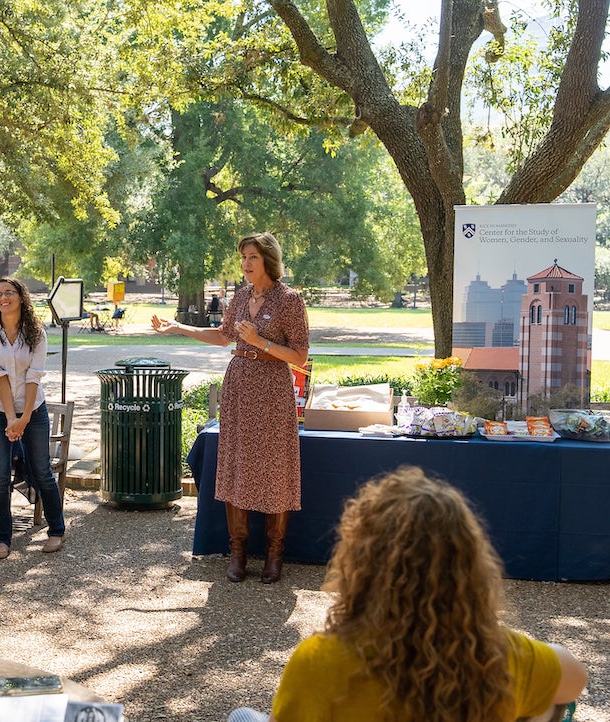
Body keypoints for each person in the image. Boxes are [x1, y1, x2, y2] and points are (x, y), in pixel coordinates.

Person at [227, 466, 588, 722]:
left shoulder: (319, 662)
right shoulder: (503, 657)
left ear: (360, 563)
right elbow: (574, 679)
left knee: (241, 715)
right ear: (470, 566)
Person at [152, 232, 308, 584]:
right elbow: (224, 336)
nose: (246, 264)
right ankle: (237, 552)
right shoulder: (239, 297)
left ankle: (274, 555)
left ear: (268, 259)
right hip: (238, 385)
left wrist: (260, 341)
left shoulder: (290, 300)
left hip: (272, 389)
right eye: (243, 258)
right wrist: (178, 328)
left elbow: (299, 356)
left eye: (252, 257)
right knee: (236, 463)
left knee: (274, 468)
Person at [0, 277, 66, 559]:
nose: (3, 298)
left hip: (33, 410)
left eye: (9, 292)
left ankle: (56, 530)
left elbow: (34, 377)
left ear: (21, 296)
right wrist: (9, 419)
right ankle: (3, 539)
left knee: (42, 471)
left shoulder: (36, 332)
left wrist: (24, 417)